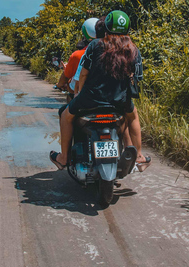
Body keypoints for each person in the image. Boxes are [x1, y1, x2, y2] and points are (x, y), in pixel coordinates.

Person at [50, 10, 151, 171]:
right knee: (133, 117)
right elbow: (137, 77)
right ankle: (139, 156)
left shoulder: (96, 45)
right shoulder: (133, 49)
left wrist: (79, 95)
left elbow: (83, 74)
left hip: (90, 99)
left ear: (107, 27)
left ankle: (63, 158)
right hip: (120, 101)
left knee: (65, 115)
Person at [56, 18, 97, 93]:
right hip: (108, 94)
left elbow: (66, 76)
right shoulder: (112, 52)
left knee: (70, 85)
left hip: (84, 94)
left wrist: (59, 85)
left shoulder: (78, 55)